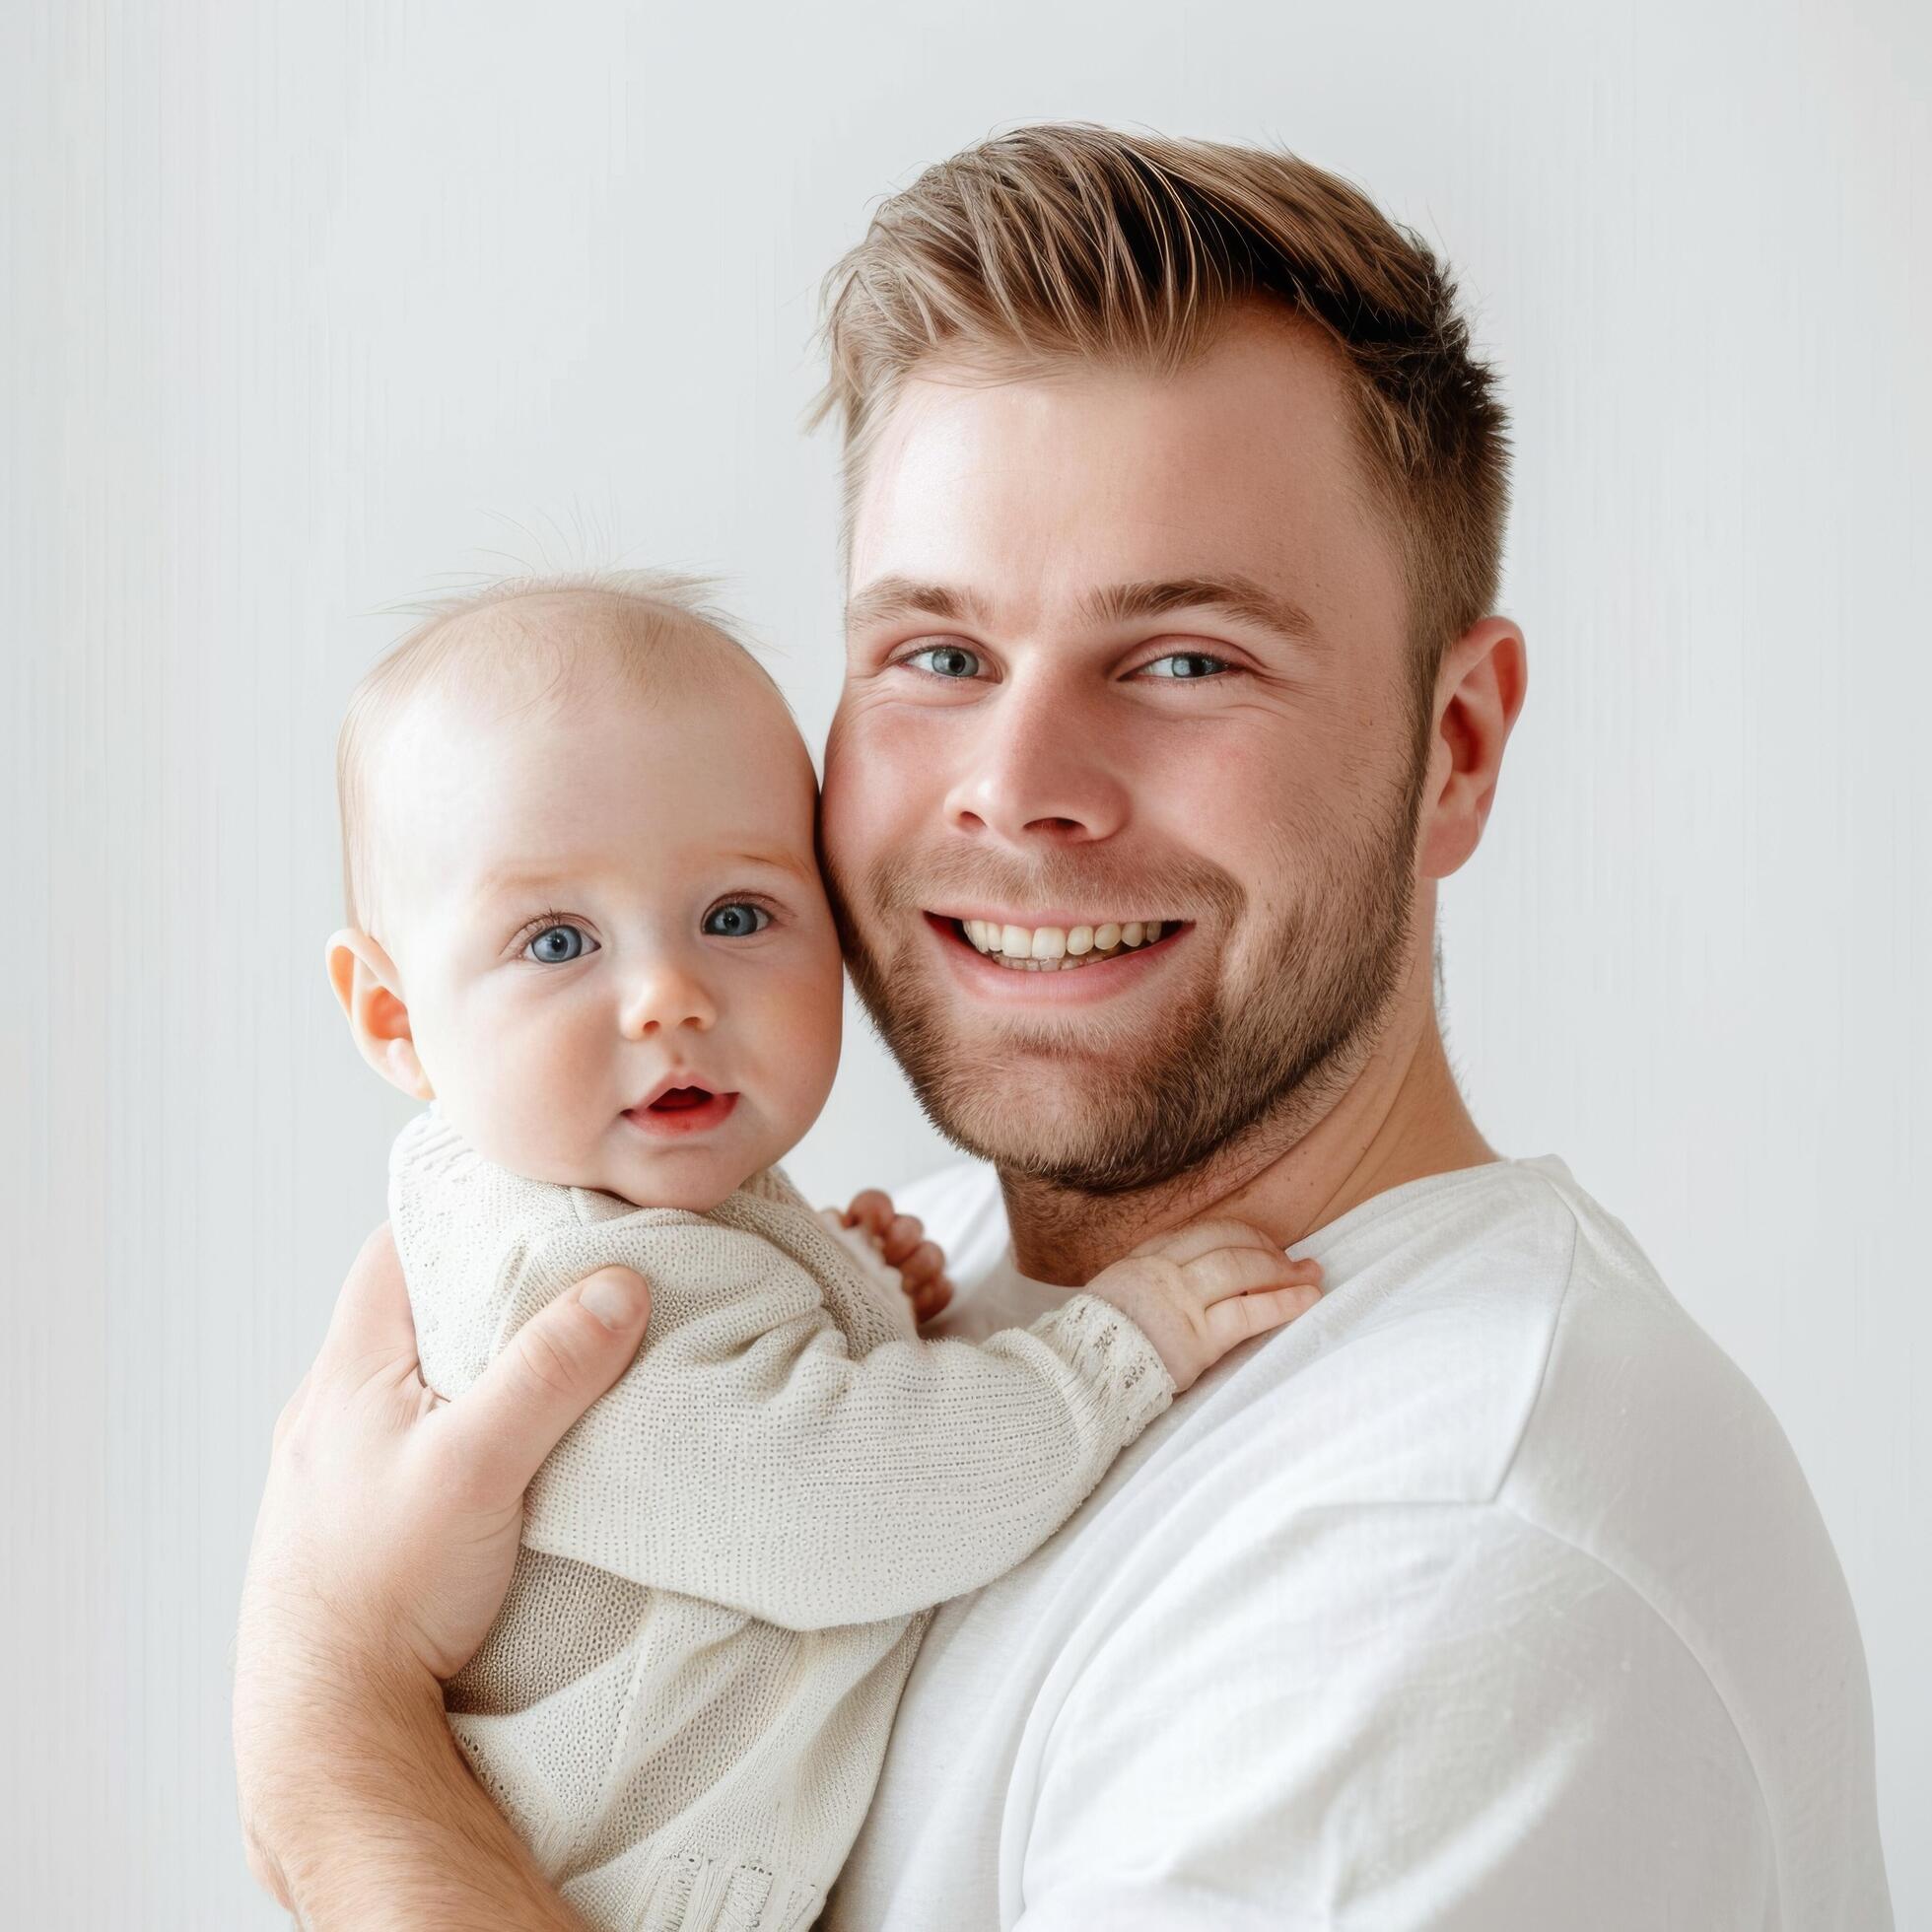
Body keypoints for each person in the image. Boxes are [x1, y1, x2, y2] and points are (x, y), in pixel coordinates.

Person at [236, 124, 1893, 1927]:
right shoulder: (887, 1290)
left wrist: (334, 1723)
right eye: (938, 657)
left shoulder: (1445, 1547)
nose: (1022, 793)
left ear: (1458, 748)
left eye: (1185, 658)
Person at [315, 574, 1317, 1928]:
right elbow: (842, 1501)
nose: (669, 995)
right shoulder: (573, 1284)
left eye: (736, 916)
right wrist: (1113, 1349)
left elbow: (731, 1407)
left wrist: (841, 1302)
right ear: (393, 1018)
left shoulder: (608, 1195)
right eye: (558, 941)